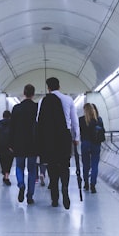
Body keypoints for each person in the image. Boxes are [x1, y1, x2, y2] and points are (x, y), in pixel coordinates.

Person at [35, 76, 80, 209]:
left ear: (48, 88)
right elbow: (74, 121)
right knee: (64, 165)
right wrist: (76, 138)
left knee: (52, 166)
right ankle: (65, 188)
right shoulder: (68, 99)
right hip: (64, 137)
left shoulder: (43, 100)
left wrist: (40, 141)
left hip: (49, 138)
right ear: (59, 86)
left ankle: (55, 197)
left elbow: (39, 121)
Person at [9, 84, 39, 204]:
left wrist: (11, 143)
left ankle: (21, 184)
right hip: (33, 143)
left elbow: (12, 127)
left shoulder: (16, 108)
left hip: (19, 143)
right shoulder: (36, 107)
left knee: (19, 166)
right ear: (33, 94)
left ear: (24, 93)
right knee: (32, 170)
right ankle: (30, 196)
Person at [79, 102, 105, 193]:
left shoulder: (81, 120)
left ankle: (86, 183)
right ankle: (93, 185)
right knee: (95, 165)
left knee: (85, 165)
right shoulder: (98, 119)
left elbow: (79, 132)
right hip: (96, 144)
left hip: (85, 144)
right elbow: (103, 132)